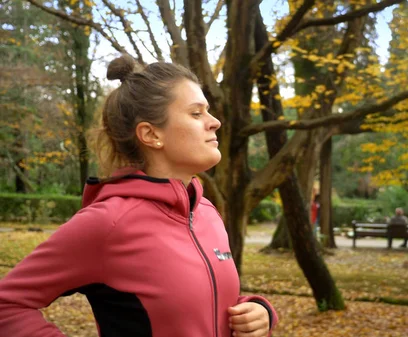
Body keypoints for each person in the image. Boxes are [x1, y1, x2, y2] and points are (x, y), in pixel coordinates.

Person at [0, 55, 277, 337]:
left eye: (208, 111)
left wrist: (257, 311)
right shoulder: (110, 222)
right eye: (196, 113)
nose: (214, 122)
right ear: (151, 134)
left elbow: (198, 307)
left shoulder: (206, 212)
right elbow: (7, 305)